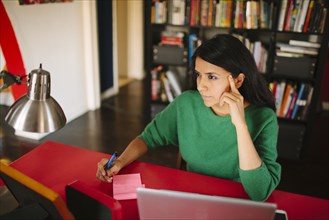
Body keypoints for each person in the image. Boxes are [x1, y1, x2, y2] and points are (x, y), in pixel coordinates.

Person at [96, 34, 281, 201]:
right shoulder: (186, 103)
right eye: (199, 75)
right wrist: (120, 161)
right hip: (193, 197)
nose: (201, 85)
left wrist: (240, 125)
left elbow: (259, 192)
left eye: (212, 77)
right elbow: (148, 138)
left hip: (237, 203)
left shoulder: (264, 118)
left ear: (238, 81)